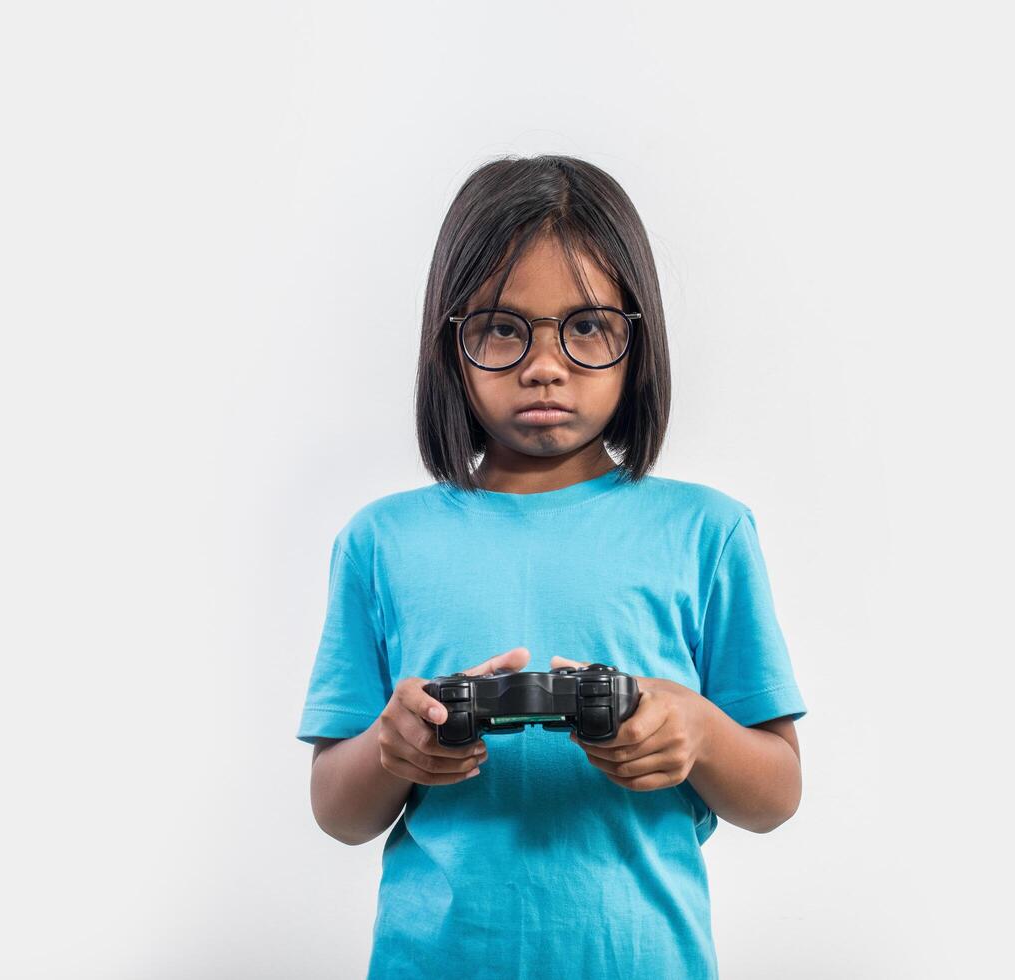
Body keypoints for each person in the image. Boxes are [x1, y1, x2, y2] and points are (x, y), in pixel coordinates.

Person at [295, 154, 808, 979]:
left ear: (637, 342)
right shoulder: (380, 542)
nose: (543, 364)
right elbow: (337, 811)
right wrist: (391, 748)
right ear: (448, 344)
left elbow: (775, 794)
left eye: (587, 326)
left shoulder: (706, 532)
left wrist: (697, 730)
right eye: (502, 327)